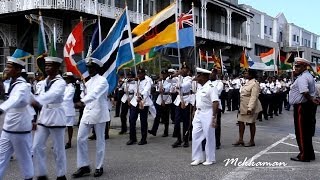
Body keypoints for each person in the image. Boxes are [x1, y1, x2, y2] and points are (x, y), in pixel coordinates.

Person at [72, 57, 109, 178]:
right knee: (80, 139)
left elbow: (95, 94)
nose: (90, 70)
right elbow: (84, 94)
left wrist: (82, 101)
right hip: (87, 113)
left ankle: (99, 166)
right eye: (88, 68)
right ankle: (84, 166)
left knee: (100, 141)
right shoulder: (87, 82)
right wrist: (80, 94)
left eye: (92, 68)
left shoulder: (103, 81)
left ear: (97, 69)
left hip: (99, 114)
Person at [32, 56, 67, 180]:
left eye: (50, 65)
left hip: (56, 116)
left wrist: (36, 100)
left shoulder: (61, 82)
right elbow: (37, 96)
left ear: (57, 68)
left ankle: (61, 175)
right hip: (43, 116)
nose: (47, 68)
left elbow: (52, 95)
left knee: (58, 150)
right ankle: (41, 174)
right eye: (46, 66)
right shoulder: (42, 82)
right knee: (36, 147)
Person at [0, 56, 34, 180]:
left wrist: (2, 108)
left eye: (9, 67)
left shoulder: (23, 86)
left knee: (25, 159)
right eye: (6, 66)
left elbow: (16, 98)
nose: (6, 69)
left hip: (20, 128)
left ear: (18, 70)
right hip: (8, 127)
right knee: (1, 158)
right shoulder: (11, 82)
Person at [288, 57, 319, 162]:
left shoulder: (303, 78)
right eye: (295, 66)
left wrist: (311, 100)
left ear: (304, 67)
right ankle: (310, 154)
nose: (295, 68)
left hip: (301, 106)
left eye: (298, 66)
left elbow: (304, 91)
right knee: (306, 132)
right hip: (305, 106)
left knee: (301, 132)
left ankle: (304, 156)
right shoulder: (307, 75)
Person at [191, 67, 219, 166]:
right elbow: (197, 100)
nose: (197, 78)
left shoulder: (211, 87)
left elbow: (215, 102)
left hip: (208, 112)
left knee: (209, 135)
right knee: (195, 135)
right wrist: (194, 110)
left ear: (203, 76)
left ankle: (210, 158)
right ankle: (198, 157)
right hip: (198, 113)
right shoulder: (200, 86)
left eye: (198, 76)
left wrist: (214, 117)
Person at [233, 69, 262, 147]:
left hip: (251, 106)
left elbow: (254, 97)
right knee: (240, 122)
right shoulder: (247, 82)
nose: (245, 75)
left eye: (246, 73)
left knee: (251, 123)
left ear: (251, 75)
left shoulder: (254, 83)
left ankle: (252, 141)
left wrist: (250, 108)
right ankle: (240, 139)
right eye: (244, 73)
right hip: (243, 106)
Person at [127, 68, 152, 145]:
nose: (139, 75)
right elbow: (126, 81)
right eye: (138, 74)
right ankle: (132, 138)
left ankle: (144, 139)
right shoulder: (136, 81)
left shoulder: (147, 81)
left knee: (143, 121)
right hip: (135, 101)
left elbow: (146, 91)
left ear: (144, 74)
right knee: (131, 119)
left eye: (141, 74)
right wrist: (129, 80)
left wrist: (141, 96)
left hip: (143, 101)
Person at [172, 63, 193, 148]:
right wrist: (175, 75)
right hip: (179, 100)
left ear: (188, 71)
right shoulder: (178, 77)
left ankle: (186, 139)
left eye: (185, 69)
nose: (183, 70)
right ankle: (178, 139)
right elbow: (169, 80)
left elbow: (184, 85)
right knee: (176, 120)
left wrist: (178, 84)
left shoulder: (189, 79)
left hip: (186, 99)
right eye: (182, 69)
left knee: (186, 121)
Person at [148, 70, 172, 137]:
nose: (163, 76)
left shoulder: (169, 80)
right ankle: (154, 130)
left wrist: (162, 88)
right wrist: (158, 81)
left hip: (166, 98)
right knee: (157, 115)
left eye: (164, 74)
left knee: (166, 117)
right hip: (159, 98)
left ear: (167, 74)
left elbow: (167, 89)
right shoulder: (160, 81)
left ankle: (166, 131)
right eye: (162, 74)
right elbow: (154, 86)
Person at [63, 72, 76, 149]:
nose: (65, 80)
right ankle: (60, 142)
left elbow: (67, 98)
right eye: (65, 78)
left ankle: (69, 142)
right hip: (62, 110)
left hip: (68, 110)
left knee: (69, 127)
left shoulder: (72, 87)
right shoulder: (64, 87)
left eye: (67, 78)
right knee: (61, 127)